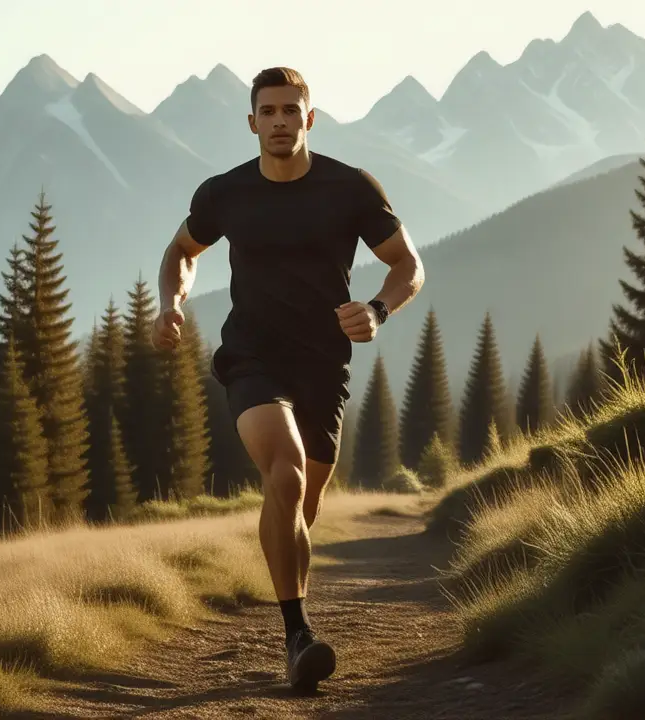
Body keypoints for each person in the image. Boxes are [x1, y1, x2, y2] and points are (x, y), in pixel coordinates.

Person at [151, 66, 424, 694]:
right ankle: (297, 636)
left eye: (289, 110)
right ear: (251, 122)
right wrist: (172, 303)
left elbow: (408, 265)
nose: (278, 121)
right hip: (252, 355)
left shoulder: (350, 188)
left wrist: (378, 309)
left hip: (324, 362)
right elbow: (181, 252)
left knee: (302, 503)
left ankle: (289, 602)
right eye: (266, 111)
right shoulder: (225, 193)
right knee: (287, 470)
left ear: (309, 117)